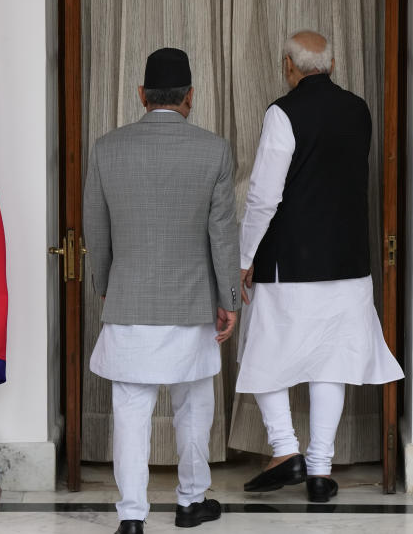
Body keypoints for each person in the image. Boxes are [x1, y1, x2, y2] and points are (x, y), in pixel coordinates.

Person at [236, 30, 404, 503]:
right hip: (348, 261)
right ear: (331, 64)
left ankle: (286, 449)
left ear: (290, 66)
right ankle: (319, 468)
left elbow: (265, 195)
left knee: (266, 353)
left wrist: (244, 257)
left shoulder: (282, 112)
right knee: (332, 361)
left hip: (288, 261)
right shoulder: (359, 110)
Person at [84, 47, 240, 534]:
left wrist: (106, 286)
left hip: (130, 300)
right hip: (193, 302)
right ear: (191, 96)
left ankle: (132, 516)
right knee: (194, 405)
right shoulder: (213, 149)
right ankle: (192, 501)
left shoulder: (107, 149)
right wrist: (228, 299)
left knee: (130, 410)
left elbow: (96, 229)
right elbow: (222, 233)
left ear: (141, 95)